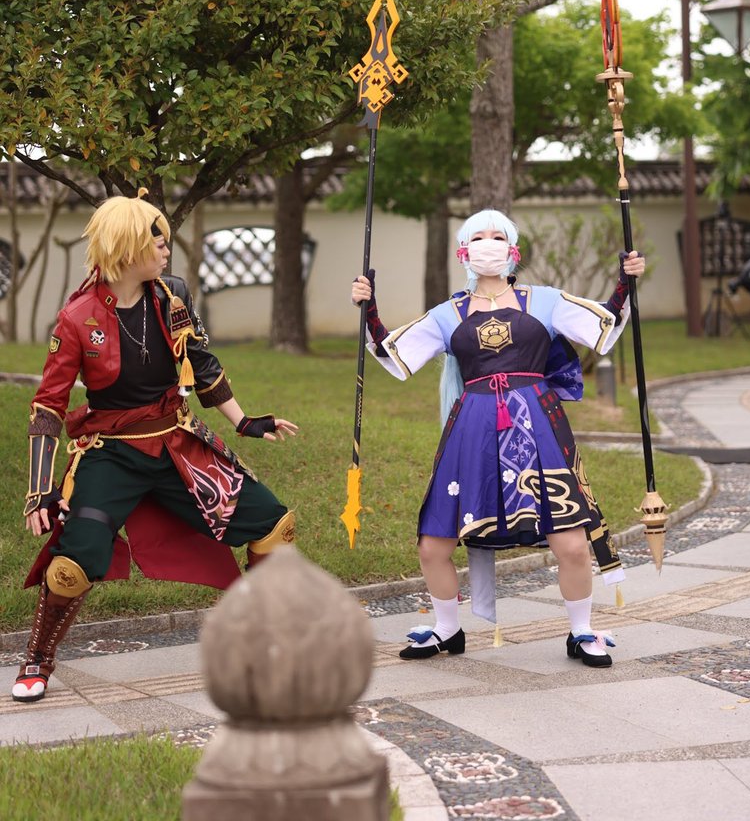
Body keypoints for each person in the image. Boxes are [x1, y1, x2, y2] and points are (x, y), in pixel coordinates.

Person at [14, 190, 298, 703]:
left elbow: (202, 364)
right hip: (110, 452)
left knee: (274, 525)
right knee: (74, 562)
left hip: (176, 444)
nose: (167, 250)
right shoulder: (77, 318)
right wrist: (39, 490)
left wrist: (244, 422)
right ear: (127, 250)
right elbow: (48, 406)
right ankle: (37, 657)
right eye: (158, 243)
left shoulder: (172, 297)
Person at [351, 208, 645, 668]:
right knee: (434, 544)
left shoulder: (545, 301)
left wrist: (625, 281)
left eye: (497, 236)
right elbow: (395, 351)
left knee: (571, 542)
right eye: (478, 237)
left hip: (539, 425)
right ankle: (447, 630)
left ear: (513, 250)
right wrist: (368, 308)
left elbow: (602, 323)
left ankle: (581, 631)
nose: (488, 244)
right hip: (471, 429)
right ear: (463, 252)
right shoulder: (447, 314)